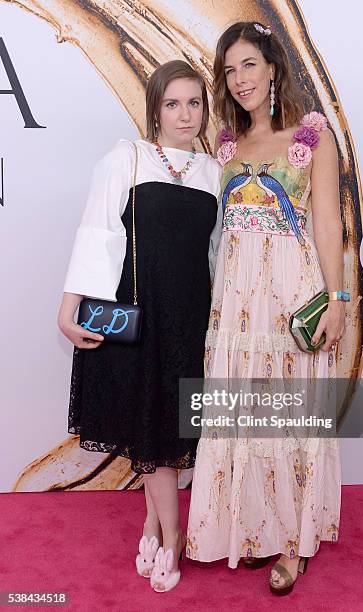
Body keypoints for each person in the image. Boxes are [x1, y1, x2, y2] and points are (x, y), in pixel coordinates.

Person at [186, 22, 346, 595]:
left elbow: (329, 222)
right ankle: (255, 526)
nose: (240, 79)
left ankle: (293, 545)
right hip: (235, 305)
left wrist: (339, 298)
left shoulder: (312, 137)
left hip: (290, 294)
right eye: (230, 70)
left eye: (249, 64)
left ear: (274, 68)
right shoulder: (227, 146)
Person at [58, 60, 222, 594]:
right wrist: (69, 305)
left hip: (191, 318)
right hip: (143, 315)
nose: (185, 114)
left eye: (194, 102)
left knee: (172, 431)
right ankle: (173, 538)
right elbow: (98, 232)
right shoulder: (124, 157)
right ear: (154, 107)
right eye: (173, 103)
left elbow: (217, 254)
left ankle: (151, 521)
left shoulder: (214, 172)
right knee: (154, 425)